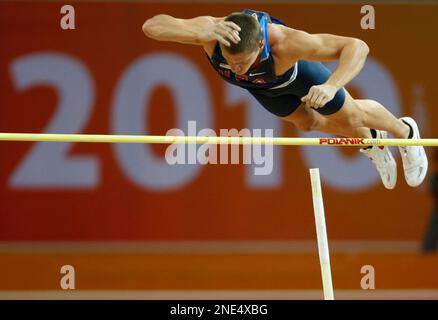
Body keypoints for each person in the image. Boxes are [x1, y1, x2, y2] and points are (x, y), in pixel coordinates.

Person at [142, 9, 428, 189]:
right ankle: (372, 140)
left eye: (244, 61)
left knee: (350, 116)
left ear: (260, 45)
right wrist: (194, 31)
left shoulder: (286, 42)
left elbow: (357, 46)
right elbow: (152, 26)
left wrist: (331, 85)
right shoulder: (210, 33)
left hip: (299, 76)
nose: (237, 68)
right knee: (307, 123)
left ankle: (405, 132)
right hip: (263, 88)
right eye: (232, 61)